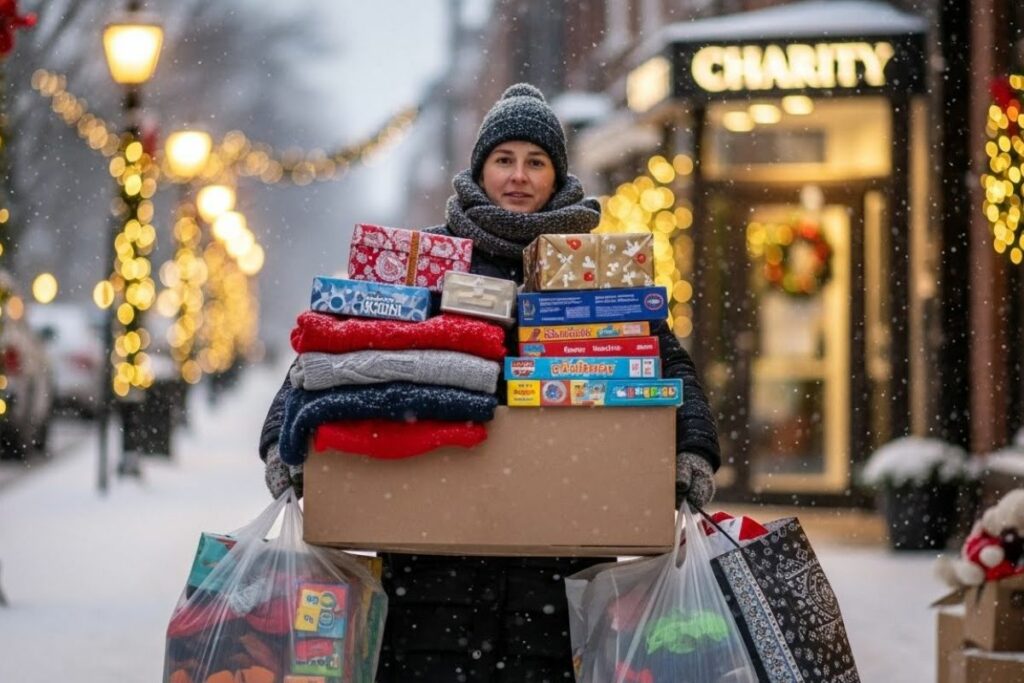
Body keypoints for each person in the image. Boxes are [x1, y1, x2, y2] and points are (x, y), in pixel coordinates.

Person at [259, 83, 720, 682]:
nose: (519, 176)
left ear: (557, 175)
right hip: (430, 566)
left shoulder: (590, 271)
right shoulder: (427, 262)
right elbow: (333, 352)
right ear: (481, 170)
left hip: (559, 567)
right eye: (504, 160)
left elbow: (667, 360)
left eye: (536, 162)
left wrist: (692, 450)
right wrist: (285, 442)